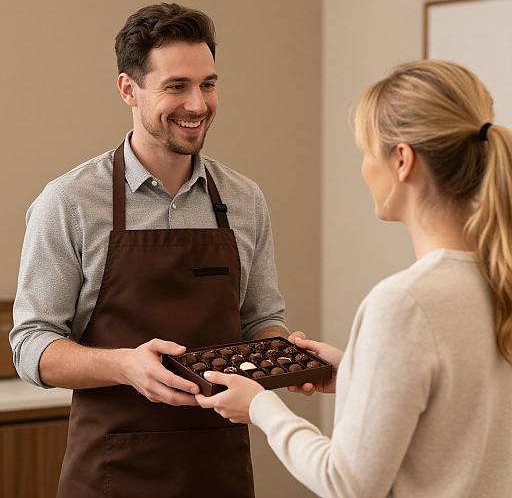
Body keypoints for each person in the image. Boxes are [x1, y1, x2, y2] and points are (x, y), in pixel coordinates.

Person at [10, 2, 303, 498]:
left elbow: (260, 319)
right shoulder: (71, 201)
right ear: (129, 89)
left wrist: (279, 355)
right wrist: (124, 365)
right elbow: (30, 346)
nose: (197, 104)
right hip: (111, 472)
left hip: (219, 469)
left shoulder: (244, 198)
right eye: (176, 87)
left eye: (208, 84)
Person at [197, 60, 512, 497]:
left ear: (402, 160)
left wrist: (261, 406)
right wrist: (360, 374)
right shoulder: (499, 280)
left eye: (367, 150)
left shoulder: (405, 304)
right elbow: (461, 415)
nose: (364, 167)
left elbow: (346, 483)